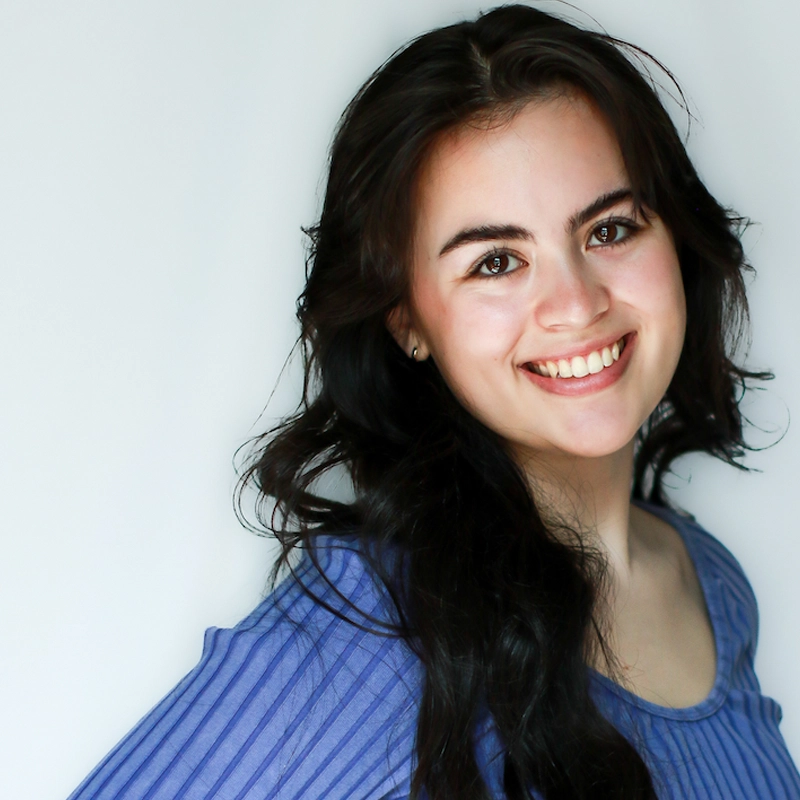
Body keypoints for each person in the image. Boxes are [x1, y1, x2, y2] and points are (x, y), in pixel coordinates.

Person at [68, 4, 800, 799]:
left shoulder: (716, 586)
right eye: (494, 262)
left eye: (611, 230)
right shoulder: (373, 625)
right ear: (409, 320)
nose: (575, 302)